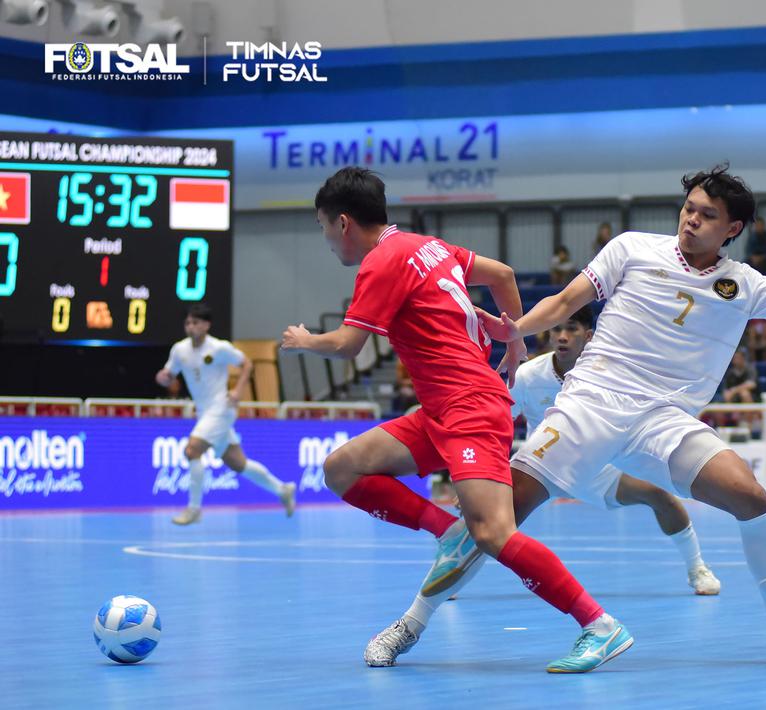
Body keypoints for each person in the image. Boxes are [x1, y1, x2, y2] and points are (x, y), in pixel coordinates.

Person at [420, 165, 766, 667]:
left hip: (663, 420)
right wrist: (518, 329)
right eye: (689, 208)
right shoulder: (632, 248)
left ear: (732, 228)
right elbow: (566, 300)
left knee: (750, 496)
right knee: (495, 517)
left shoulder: (744, 284)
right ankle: (411, 624)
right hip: (592, 403)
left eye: (707, 215)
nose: (691, 219)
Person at [280, 167, 630, 673]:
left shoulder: (380, 262)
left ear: (343, 223)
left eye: (323, 228)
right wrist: (515, 340)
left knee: (493, 533)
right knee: (341, 469)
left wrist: (305, 340)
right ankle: (448, 531)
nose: (327, 240)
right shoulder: (428, 246)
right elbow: (503, 275)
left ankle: (599, 624)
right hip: (439, 410)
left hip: (469, 408)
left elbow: (349, 345)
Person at [510, 305, 722, 595]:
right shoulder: (527, 376)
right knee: (489, 512)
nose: (562, 336)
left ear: (588, 336)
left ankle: (697, 568)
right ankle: (449, 577)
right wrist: (487, 474)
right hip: (544, 464)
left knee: (660, 496)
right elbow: (499, 422)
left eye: (571, 329)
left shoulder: (609, 372)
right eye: (556, 329)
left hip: (600, 465)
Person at [156, 304, 296, 526]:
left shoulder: (219, 348)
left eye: (195, 322)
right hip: (204, 412)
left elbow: (246, 364)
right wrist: (163, 378)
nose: (190, 326)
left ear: (206, 325)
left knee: (192, 450)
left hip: (221, 408)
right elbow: (168, 374)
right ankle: (282, 489)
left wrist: (238, 390)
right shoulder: (179, 350)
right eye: (187, 322)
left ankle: (194, 509)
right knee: (238, 463)